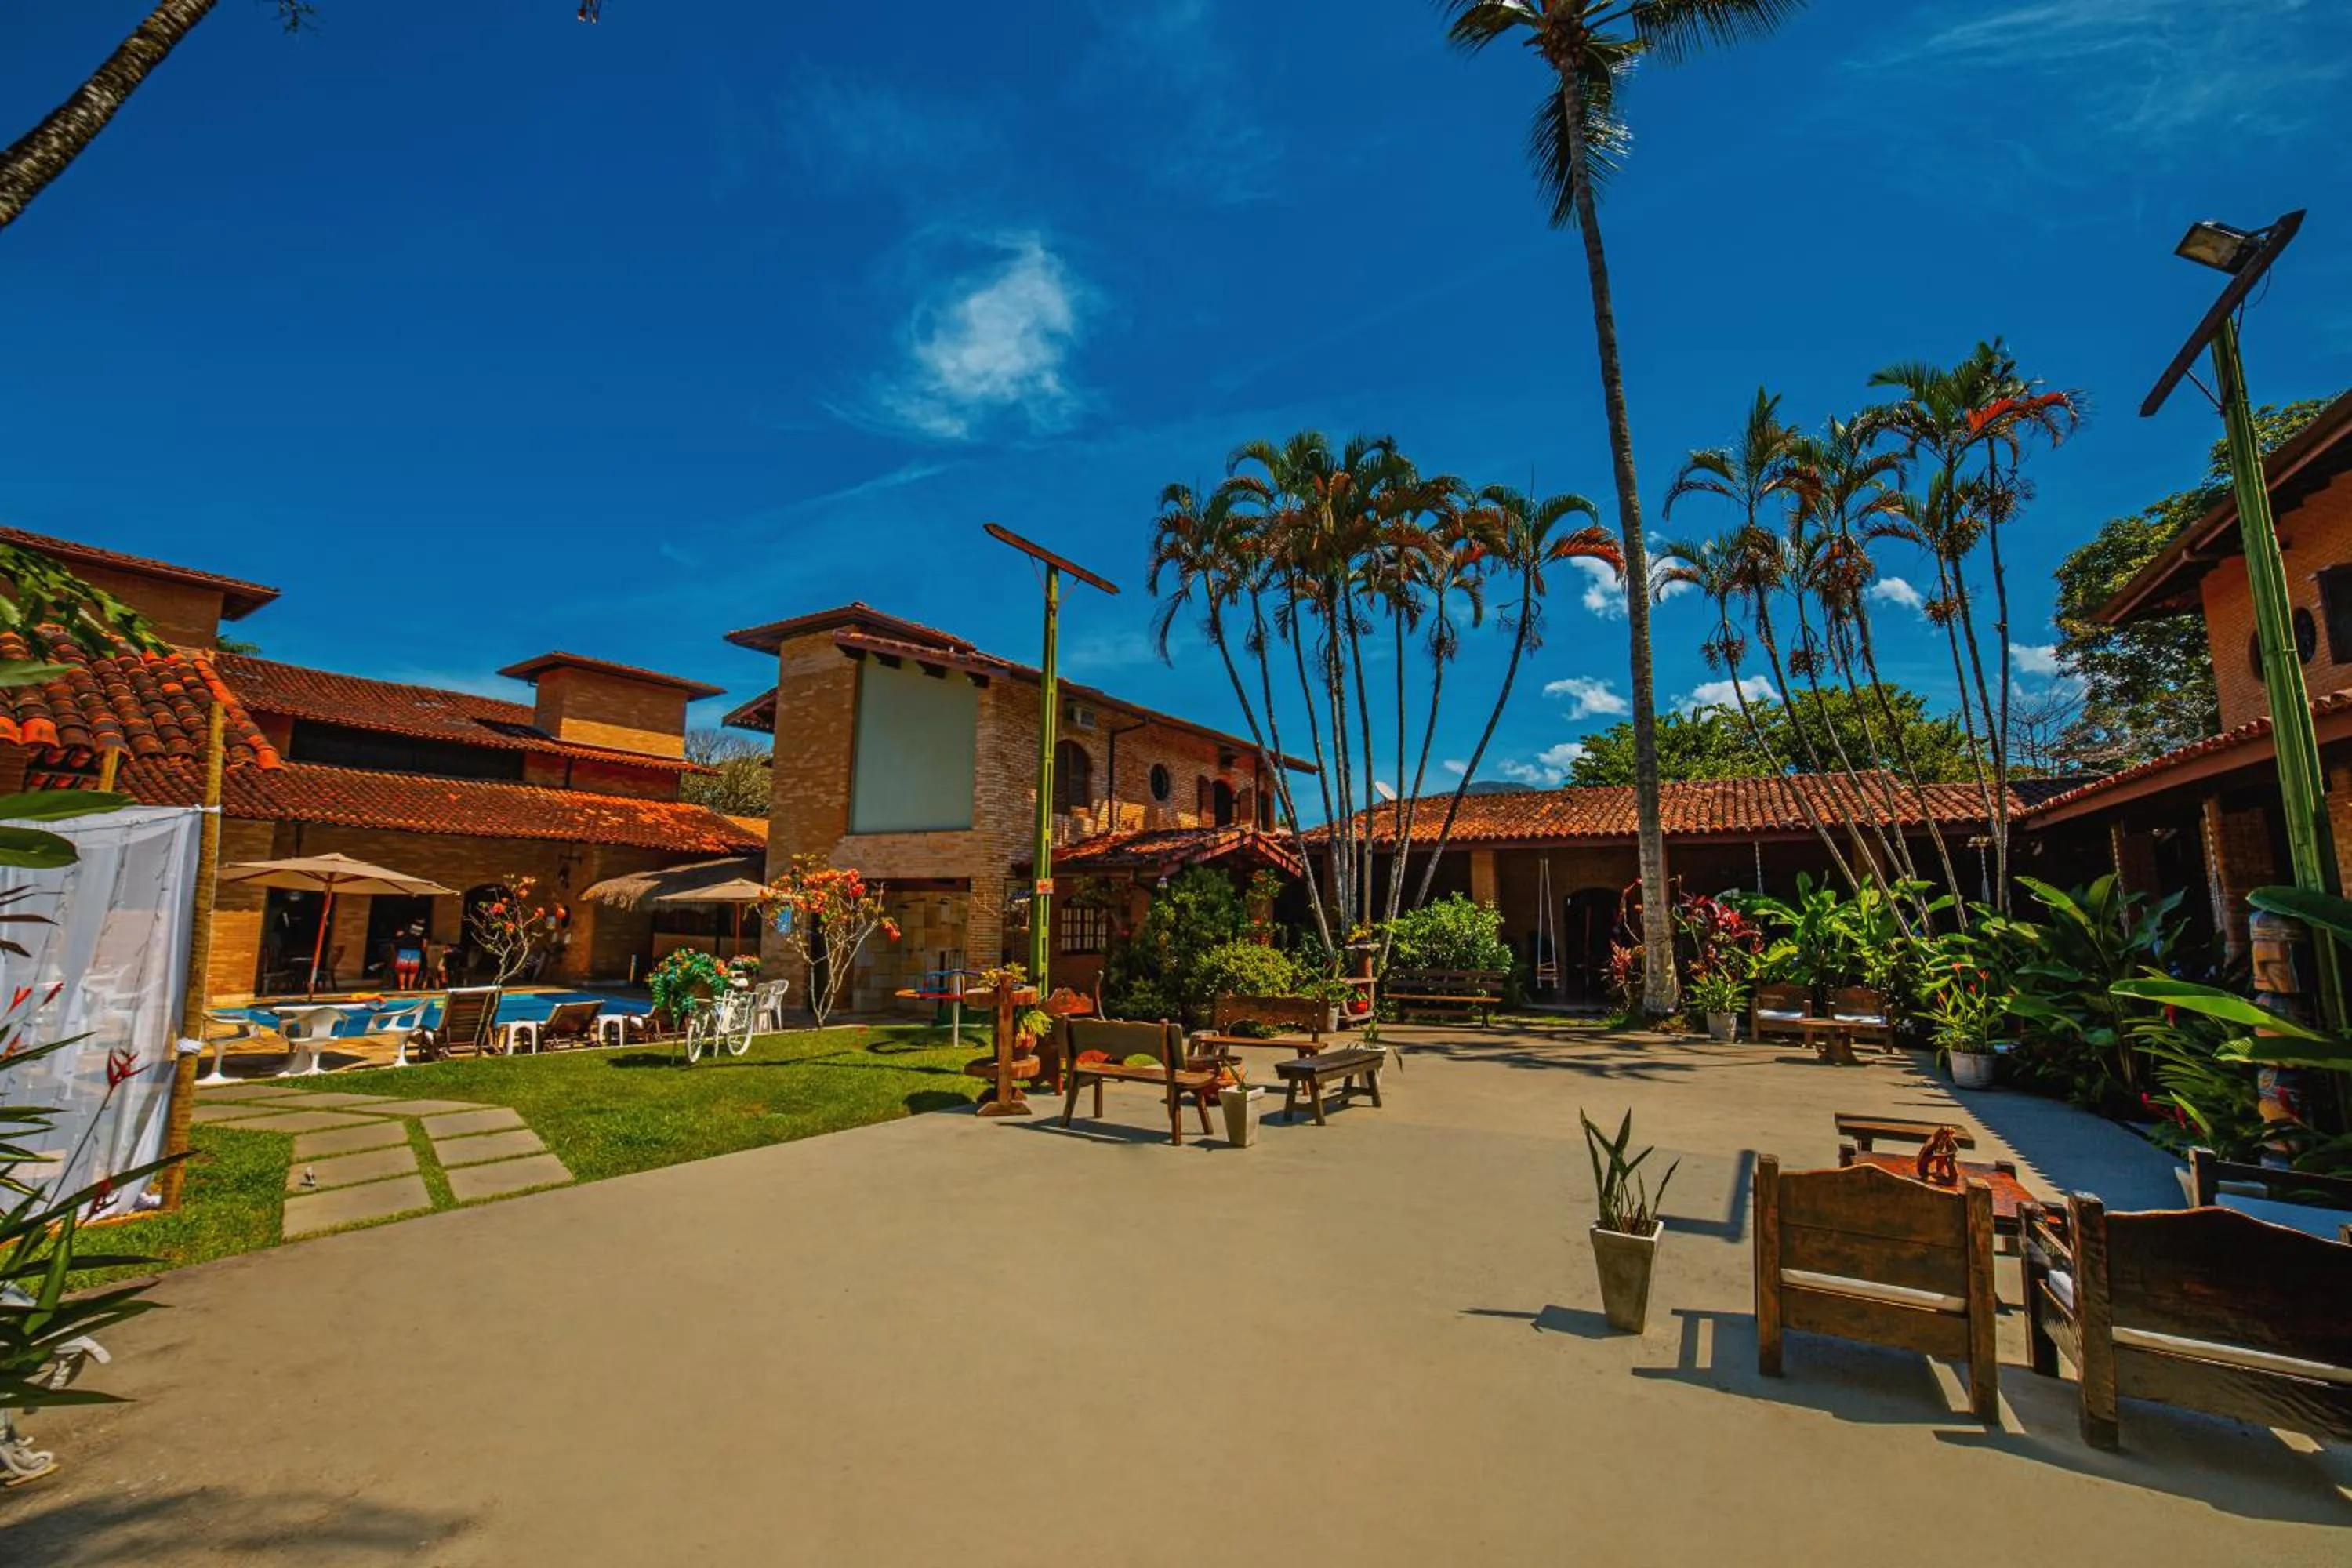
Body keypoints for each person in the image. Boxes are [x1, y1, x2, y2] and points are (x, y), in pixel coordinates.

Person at [393, 922, 426, 992]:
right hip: (415, 950)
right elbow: (424, 941)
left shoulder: (406, 927)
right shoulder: (422, 928)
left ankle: (403, 986)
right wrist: (423, 950)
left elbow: (398, 935)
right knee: (412, 970)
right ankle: (409, 986)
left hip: (405, 950)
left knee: (403, 970)